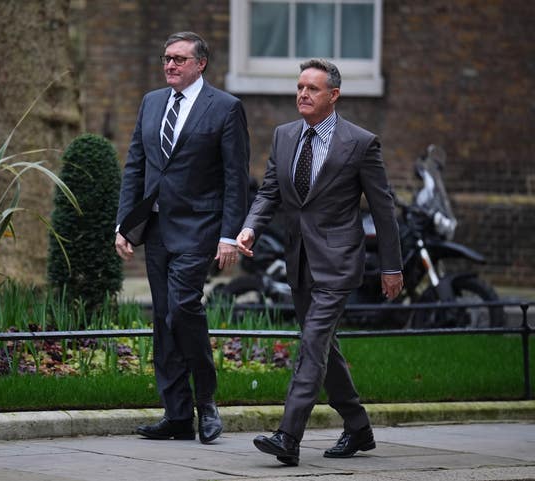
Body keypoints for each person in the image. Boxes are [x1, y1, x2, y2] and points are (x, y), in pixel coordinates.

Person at [236, 58, 403, 466]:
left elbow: (383, 210)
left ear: (334, 95)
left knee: (311, 344)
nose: (303, 95)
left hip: (339, 260)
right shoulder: (284, 135)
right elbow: (270, 191)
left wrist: (391, 266)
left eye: (312, 88)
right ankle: (358, 427)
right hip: (299, 260)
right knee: (325, 345)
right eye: (299, 87)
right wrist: (251, 227)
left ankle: (288, 437)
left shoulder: (361, 143)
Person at [115, 31, 249, 444]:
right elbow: (135, 164)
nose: (169, 65)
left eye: (178, 59)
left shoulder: (226, 108)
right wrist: (123, 224)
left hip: (199, 230)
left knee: (182, 308)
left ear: (200, 64)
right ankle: (176, 415)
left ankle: (206, 403)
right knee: (162, 318)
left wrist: (229, 236)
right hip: (156, 229)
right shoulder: (152, 102)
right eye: (165, 58)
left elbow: (234, 178)